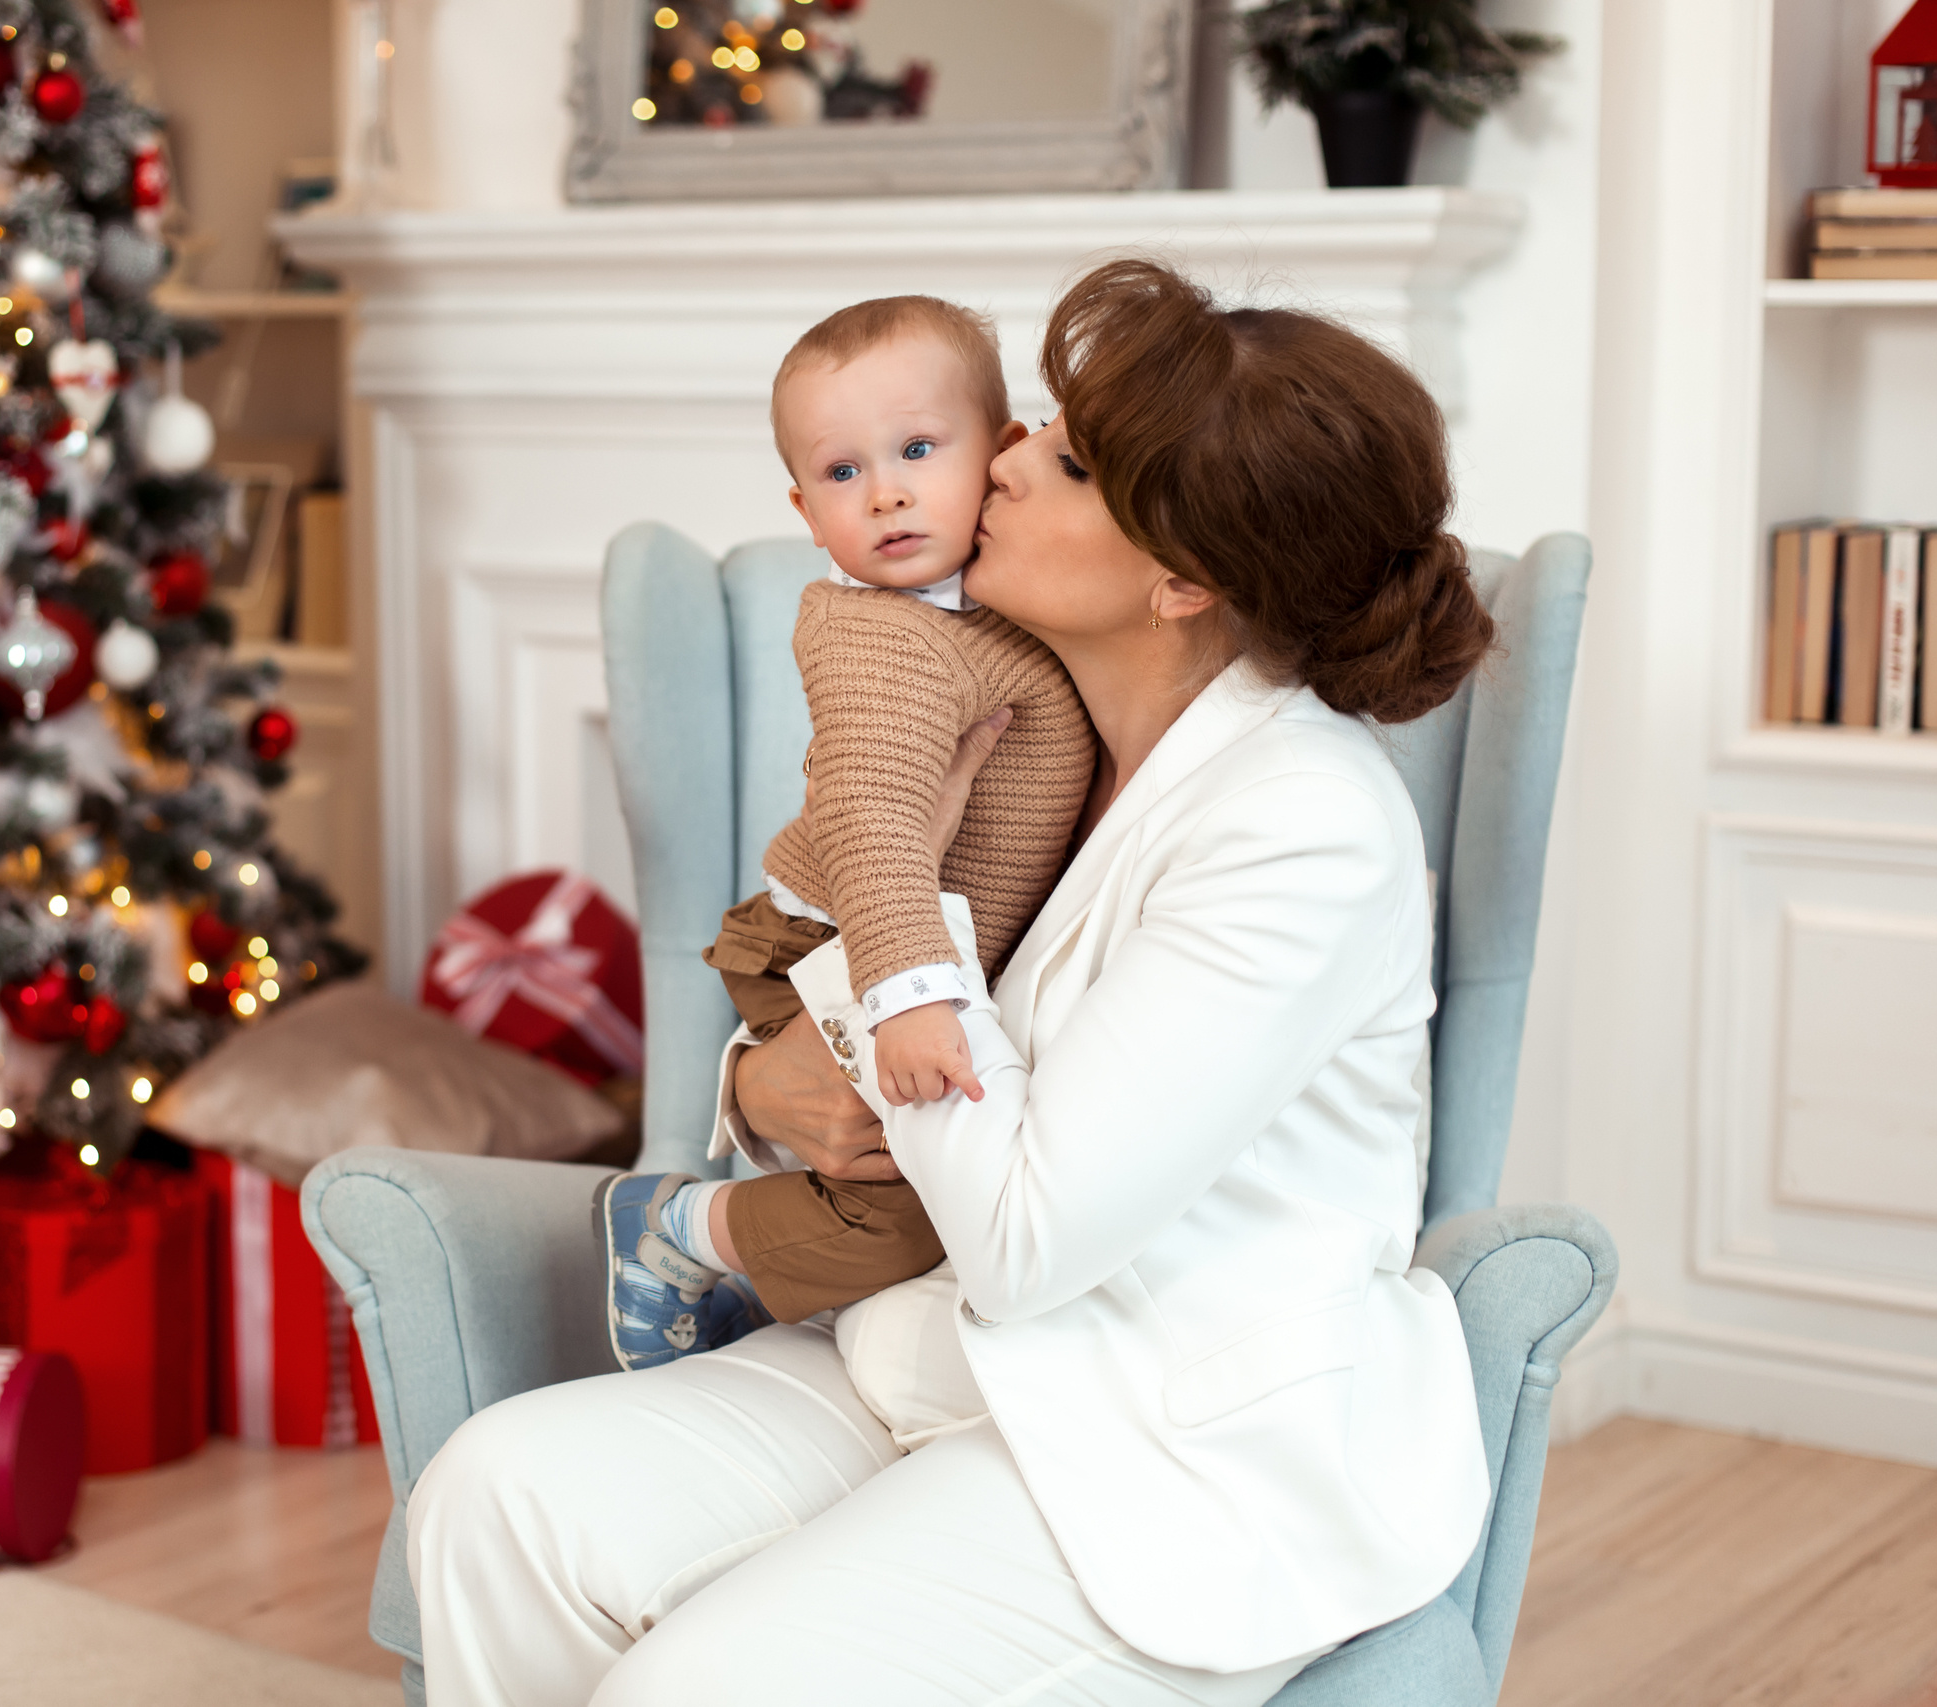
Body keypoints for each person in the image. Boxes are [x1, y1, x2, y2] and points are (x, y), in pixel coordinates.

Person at [407, 256, 1501, 1707]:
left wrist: (892, 915)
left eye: (1066, 461)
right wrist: (753, 1083)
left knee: (700, 1686)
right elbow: (838, 1033)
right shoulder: (1038, 734)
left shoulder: (1301, 822)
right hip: (935, 1359)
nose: (1001, 460)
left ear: (1182, 578)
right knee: (496, 1495)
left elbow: (1029, 1233)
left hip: (1167, 1452)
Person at [596, 295, 1094, 1368]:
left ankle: (755, 1268)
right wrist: (909, 999)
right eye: (841, 474)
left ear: (1001, 455)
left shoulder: (997, 604)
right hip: (833, 949)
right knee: (900, 1212)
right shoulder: (884, 636)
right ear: (806, 511)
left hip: (888, 945)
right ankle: (674, 1229)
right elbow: (871, 822)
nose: (887, 494)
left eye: (918, 448)